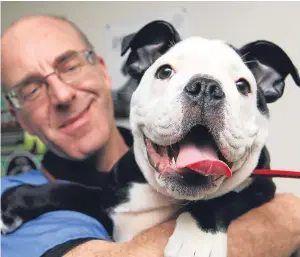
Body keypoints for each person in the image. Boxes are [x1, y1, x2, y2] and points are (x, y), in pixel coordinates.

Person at [1, 15, 300, 257]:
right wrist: (284, 217)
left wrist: (216, 214)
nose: (62, 95)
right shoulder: (14, 196)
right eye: (31, 89)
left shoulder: (125, 172)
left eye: (70, 66)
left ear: (104, 71)